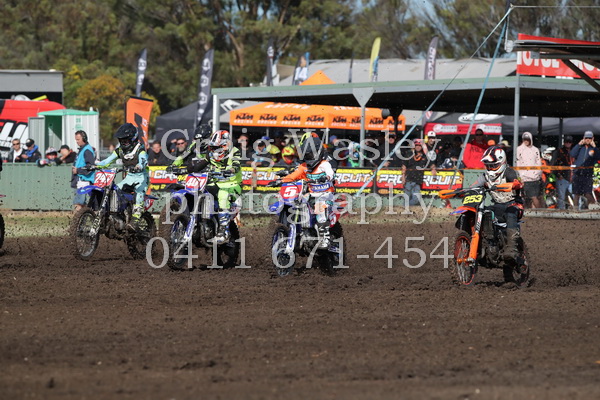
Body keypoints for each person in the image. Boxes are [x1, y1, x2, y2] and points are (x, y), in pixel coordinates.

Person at [268, 135, 335, 249]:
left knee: (320, 210)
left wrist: (326, 177)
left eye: (310, 155)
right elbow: (293, 176)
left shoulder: (324, 164)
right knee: (297, 202)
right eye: (306, 155)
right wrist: (280, 181)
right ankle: (301, 229)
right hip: (311, 194)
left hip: (325, 194)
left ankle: (325, 238)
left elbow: (330, 173)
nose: (309, 157)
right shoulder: (304, 166)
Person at [179, 130, 242, 244]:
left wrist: (230, 171)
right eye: (212, 147)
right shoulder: (211, 153)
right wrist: (184, 170)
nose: (213, 150)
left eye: (216, 147)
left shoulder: (234, 151)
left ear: (225, 145)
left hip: (232, 185)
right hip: (216, 183)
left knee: (223, 195)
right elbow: (199, 165)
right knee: (200, 191)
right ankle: (201, 221)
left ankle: (223, 232)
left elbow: (236, 165)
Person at [473, 146, 524, 262]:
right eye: (488, 166)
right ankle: (490, 244)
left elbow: (517, 182)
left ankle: (512, 249)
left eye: (493, 165)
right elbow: (474, 186)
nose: (490, 168)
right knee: (484, 212)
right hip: (498, 205)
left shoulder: (509, 172)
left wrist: (514, 184)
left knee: (510, 213)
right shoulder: (485, 176)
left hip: (514, 204)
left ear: (502, 162)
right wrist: (462, 192)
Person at [96, 123, 149, 229]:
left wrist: (139, 166)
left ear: (133, 138)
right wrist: (95, 165)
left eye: (126, 140)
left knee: (139, 192)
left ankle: (135, 219)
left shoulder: (140, 149)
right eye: (122, 140)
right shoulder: (120, 150)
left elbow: (143, 160)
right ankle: (117, 213)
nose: (124, 142)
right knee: (115, 190)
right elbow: (107, 161)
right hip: (129, 177)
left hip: (142, 178)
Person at [570, 130, 600, 210]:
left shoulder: (593, 149)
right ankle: (575, 210)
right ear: (583, 138)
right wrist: (579, 144)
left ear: (592, 139)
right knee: (576, 194)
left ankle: (594, 208)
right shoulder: (580, 148)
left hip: (587, 175)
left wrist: (595, 147)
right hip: (577, 174)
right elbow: (572, 154)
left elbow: (598, 157)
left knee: (587, 193)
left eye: (589, 138)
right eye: (586, 138)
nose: (588, 140)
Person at [401, 139, 436, 206]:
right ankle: (404, 210)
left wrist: (433, 170)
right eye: (416, 145)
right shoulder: (409, 154)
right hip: (408, 180)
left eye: (419, 145)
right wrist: (403, 176)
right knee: (406, 198)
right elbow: (404, 165)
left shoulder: (425, 156)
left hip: (417, 181)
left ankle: (406, 207)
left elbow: (431, 164)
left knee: (416, 199)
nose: (418, 147)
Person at [516, 132, 543, 208]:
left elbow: (538, 162)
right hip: (525, 178)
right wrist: (521, 175)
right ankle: (535, 211)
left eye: (527, 139)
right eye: (524, 139)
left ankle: (538, 211)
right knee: (529, 197)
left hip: (536, 178)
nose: (526, 141)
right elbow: (518, 162)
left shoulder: (535, 149)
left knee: (534, 197)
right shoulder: (519, 149)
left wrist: (537, 173)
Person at [72, 130, 96, 212]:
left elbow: (90, 166)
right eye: (76, 140)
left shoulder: (87, 150)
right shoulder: (83, 149)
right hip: (81, 179)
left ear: (84, 139)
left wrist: (78, 170)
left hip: (84, 180)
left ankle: (77, 219)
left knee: (78, 204)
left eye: (78, 139)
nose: (77, 141)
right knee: (81, 204)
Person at [555, 135, 574, 209]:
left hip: (572, 177)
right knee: (561, 197)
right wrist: (558, 174)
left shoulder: (574, 151)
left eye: (569, 142)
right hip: (562, 178)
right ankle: (561, 211)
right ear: (564, 142)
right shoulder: (559, 151)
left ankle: (578, 210)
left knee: (575, 195)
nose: (568, 143)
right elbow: (554, 164)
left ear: (572, 143)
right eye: (566, 142)